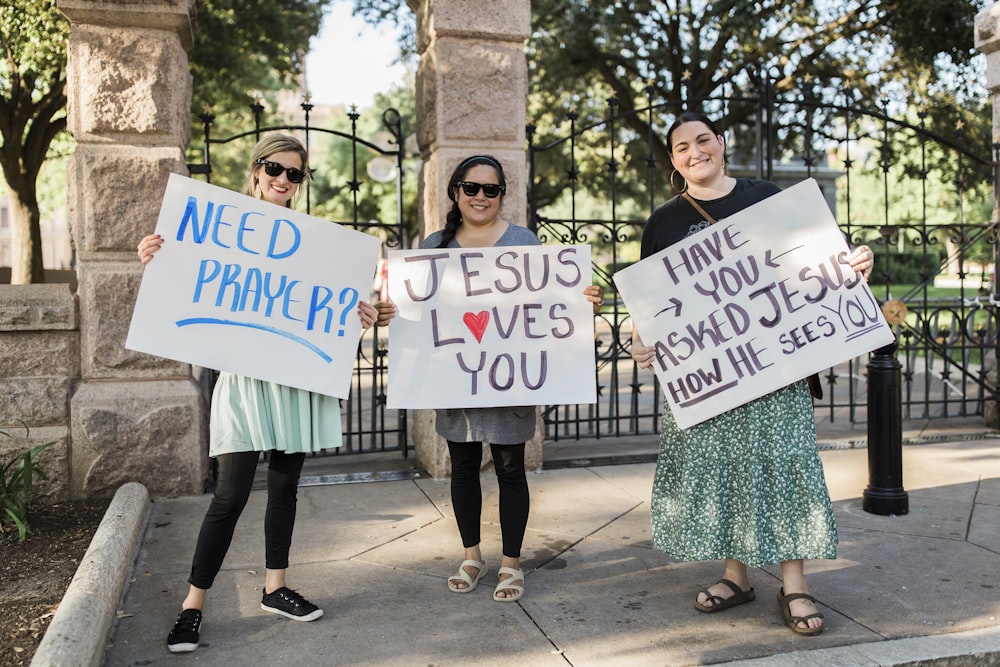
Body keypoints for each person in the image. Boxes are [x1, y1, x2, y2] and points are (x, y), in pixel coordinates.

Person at [630, 112, 875, 636]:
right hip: (707, 376)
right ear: (673, 161)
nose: (695, 152)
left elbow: (820, 260)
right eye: (681, 148)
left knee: (783, 465)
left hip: (775, 368)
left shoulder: (767, 197)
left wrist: (855, 264)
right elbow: (649, 306)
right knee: (723, 469)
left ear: (721, 143)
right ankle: (736, 577)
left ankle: (796, 585)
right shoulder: (664, 222)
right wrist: (638, 340)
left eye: (703, 141)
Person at [137, 134, 379, 653]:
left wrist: (361, 316)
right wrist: (157, 259)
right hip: (245, 382)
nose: (283, 180)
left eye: (295, 173)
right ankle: (191, 608)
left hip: (295, 381)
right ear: (255, 169)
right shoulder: (217, 229)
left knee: (285, 489)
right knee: (229, 495)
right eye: (275, 168)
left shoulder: (317, 241)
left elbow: (324, 310)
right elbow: (188, 284)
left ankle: (276, 587)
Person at [376, 155, 603, 603]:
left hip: (509, 381)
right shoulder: (435, 244)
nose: (480, 196)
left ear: (502, 194)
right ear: (456, 192)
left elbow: (550, 301)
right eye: (471, 187)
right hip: (455, 381)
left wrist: (583, 302)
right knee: (462, 469)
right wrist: (393, 313)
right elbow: (419, 314)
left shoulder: (523, 241)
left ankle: (512, 564)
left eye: (491, 189)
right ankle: (472, 555)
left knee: (510, 468)